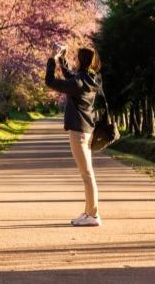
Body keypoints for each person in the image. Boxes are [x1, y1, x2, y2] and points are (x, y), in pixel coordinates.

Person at [45, 43, 102, 227]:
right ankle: (88, 212)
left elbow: (50, 82)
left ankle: (92, 215)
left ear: (83, 61)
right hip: (86, 131)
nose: (74, 60)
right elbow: (71, 76)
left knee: (87, 174)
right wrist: (62, 59)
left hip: (79, 133)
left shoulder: (79, 82)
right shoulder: (89, 78)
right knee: (87, 173)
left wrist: (52, 62)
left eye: (76, 58)